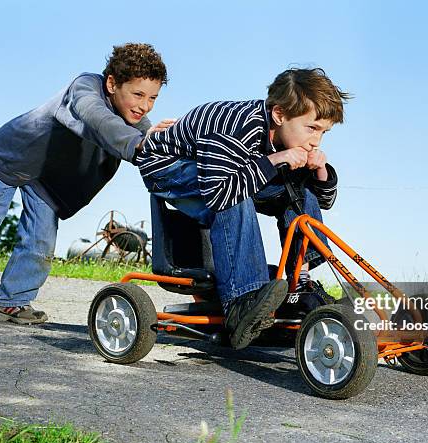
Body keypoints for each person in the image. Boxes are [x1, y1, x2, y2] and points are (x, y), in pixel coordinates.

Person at [136, 67, 350, 349]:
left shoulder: (285, 137)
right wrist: (276, 160)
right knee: (236, 194)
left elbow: (321, 202)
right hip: (168, 167)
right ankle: (242, 300)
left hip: (219, 172)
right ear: (280, 115)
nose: (316, 140)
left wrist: (320, 170)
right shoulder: (236, 128)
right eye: (311, 128)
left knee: (298, 186)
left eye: (324, 132)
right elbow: (220, 194)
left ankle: (301, 283)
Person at [0, 43, 174, 325]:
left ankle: (10, 302)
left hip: (47, 179)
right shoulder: (85, 88)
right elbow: (97, 117)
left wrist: (173, 142)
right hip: (11, 158)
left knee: (40, 241)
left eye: (153, 98)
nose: (144, 106)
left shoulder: (134, 119)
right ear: (111, 83)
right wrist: (140, 142)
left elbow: (149, 142)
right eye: (138, 94)